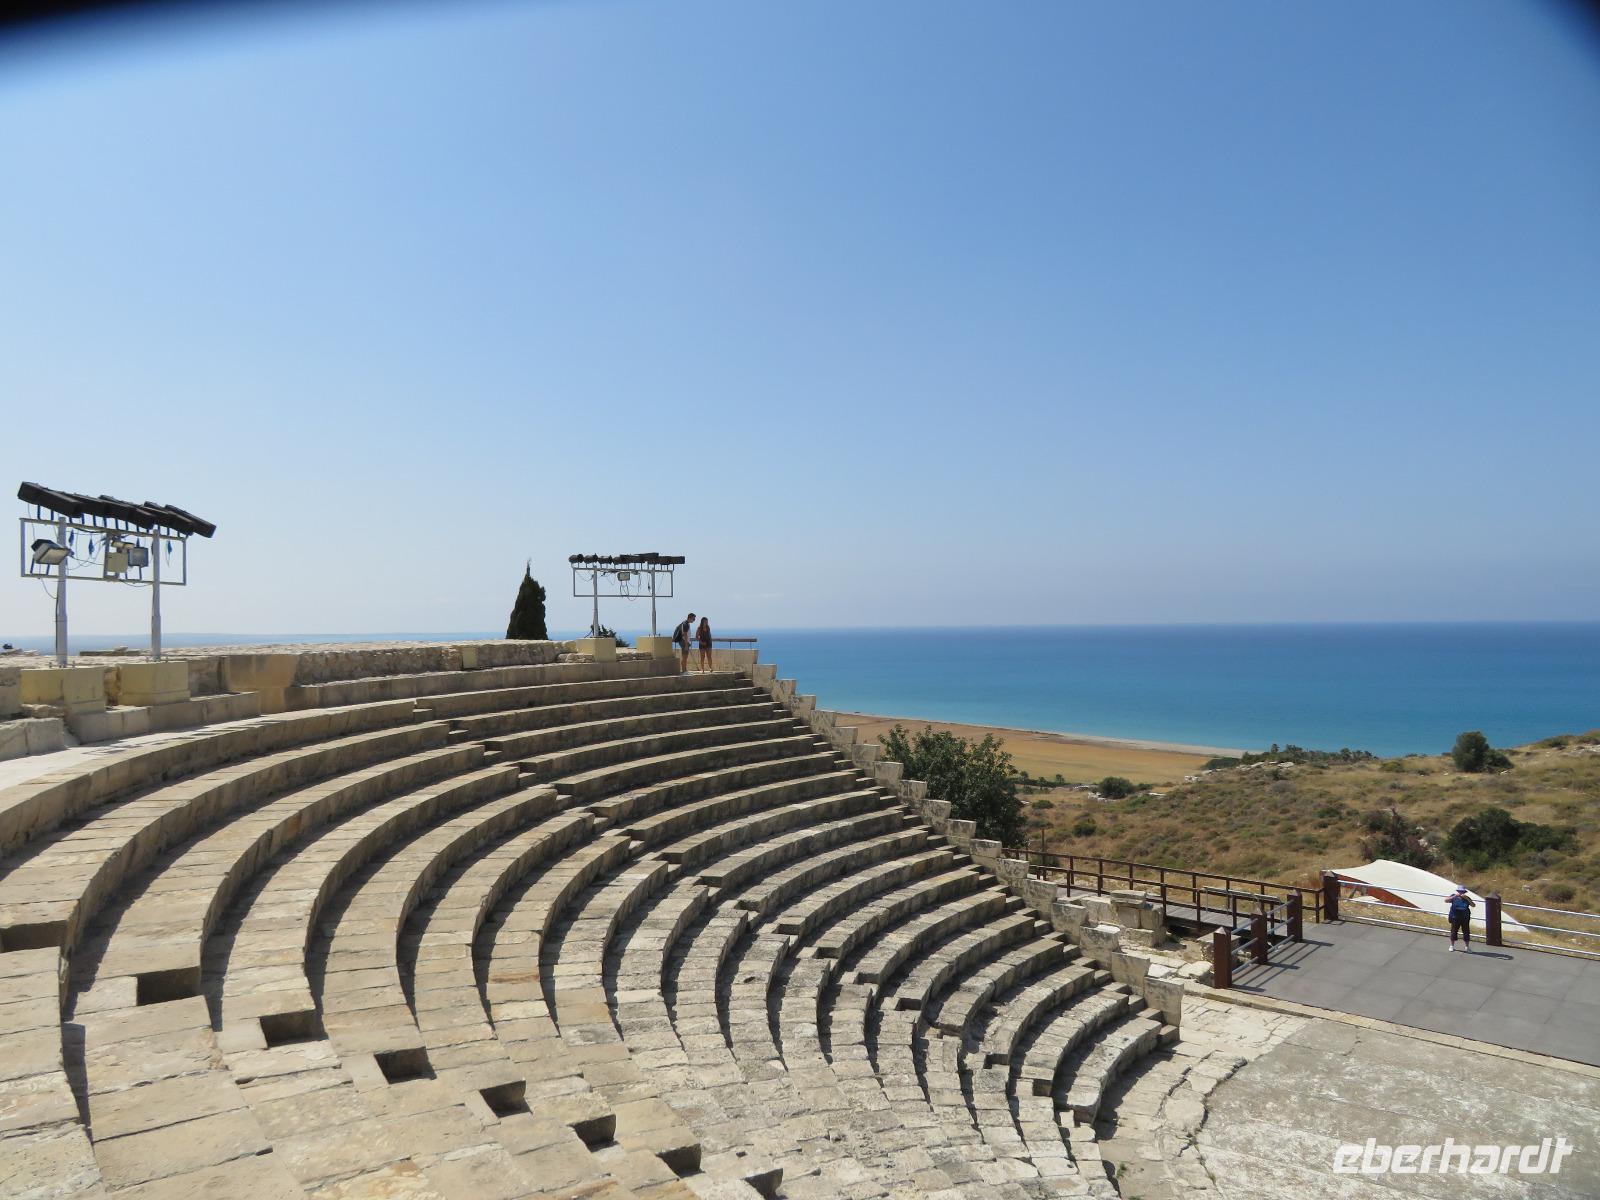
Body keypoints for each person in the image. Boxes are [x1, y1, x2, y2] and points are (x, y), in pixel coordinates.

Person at [1447, 885, 1475, 951]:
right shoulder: (1454, 896)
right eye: (1460, 891)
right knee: (1454, 931)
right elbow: (1446, 900)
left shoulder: (1467, 898)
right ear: (1457, 891)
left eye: (1462, 892)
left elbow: (1473, 905)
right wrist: (1455, 896)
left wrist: (1467, 899)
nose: (1461, 893)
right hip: (1455, 916)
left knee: (1466, 931)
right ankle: (1452, 946)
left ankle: (1467, 947)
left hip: (1465, 917)